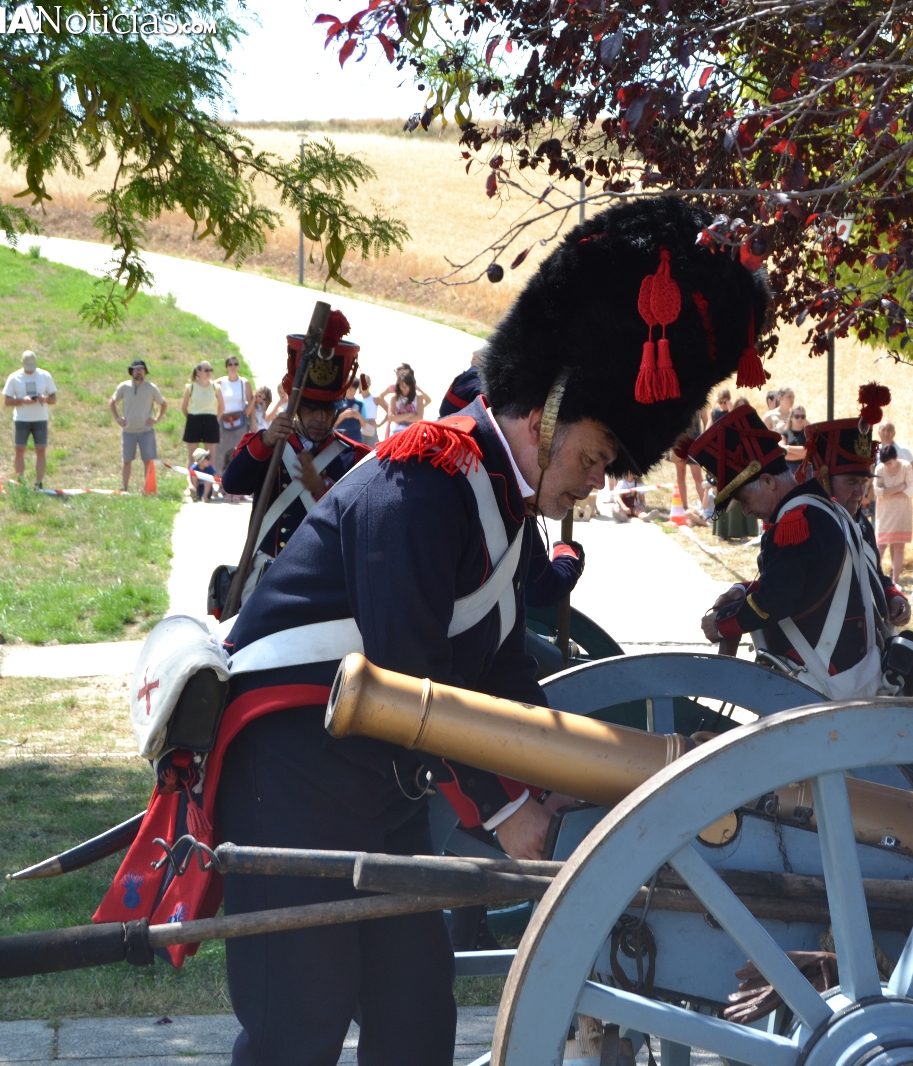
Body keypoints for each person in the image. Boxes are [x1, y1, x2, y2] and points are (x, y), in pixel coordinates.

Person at [94, 197, 769, 1065]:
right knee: (298, 1025)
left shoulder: (498, 504)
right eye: (594, 457)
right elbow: (407, 668)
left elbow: (500, 670)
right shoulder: (424, 476)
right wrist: (507, 807)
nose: (593, 483)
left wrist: (555, 771)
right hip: (290, 768)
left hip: (373, 781)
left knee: (415, 1017)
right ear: (547, 412)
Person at [690, 400, 900, 700]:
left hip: (822, 681)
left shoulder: (797, 521)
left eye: (745, 499)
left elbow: (777, 598)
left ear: (767, 481)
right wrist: (742, 590)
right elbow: (807, 584)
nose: (746, 511)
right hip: (852, 672)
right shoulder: (828, 511)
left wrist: (722, 624)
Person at [220, 316, 371, 601]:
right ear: (297, 407)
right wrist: (265, 441)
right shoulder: (269, 444)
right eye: (312, 409)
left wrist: (321, 489)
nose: (321, 418)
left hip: (323, 581)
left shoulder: (355, 457)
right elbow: (232, 484)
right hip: (267, 574)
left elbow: (361, 524)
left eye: (328, 410)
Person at [801, 385, 911, 630]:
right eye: (851, 482)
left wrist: (892, 595)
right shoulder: (802, 524)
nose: (861, 493)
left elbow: (874, 574)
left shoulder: (861, 523)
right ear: (824, 480)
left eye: (863, 482)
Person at [108, 359, 167, 492]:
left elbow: (163, 404)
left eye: (141, 369)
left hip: (146, 431)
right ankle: (124, 488)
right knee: (127, 461)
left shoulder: (151, 388)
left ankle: (148, 489)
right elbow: (112, 402)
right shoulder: (124, 386)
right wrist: (117, 418)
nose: (139, 372)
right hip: (128, 431)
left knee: (148, 461)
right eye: (136, 369)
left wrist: (156, 419)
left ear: (145, 372)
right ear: (131, 372)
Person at [2, 350, 56, 489]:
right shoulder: (14, 377)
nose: (30, 371)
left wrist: (45, 399)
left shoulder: (45, 376)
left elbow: (53, 398)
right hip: (22, 419)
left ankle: (39, 483)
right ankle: (20, 481)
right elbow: (7, 401)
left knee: (41, 450)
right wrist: (21, 400)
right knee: (19, 449)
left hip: (40, 419)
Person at [874, 441, 913, 581]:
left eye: (889, 463)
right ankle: (873, 577)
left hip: (902, 512)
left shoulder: (906, 466)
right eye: (885, 463)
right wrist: (898, 488)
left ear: (895, 458)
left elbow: (911, 489)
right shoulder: (879, 469)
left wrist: (888, 493)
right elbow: (877, 491)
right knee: (880, 546)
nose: (887, 466)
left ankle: (895, 581)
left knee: (899, 546)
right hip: (884, 513)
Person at [181, 361, 224, 473]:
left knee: (210, 457)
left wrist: (214, 419)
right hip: (194, 420)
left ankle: (209, 482)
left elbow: (222, 407)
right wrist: (191, 419)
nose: (209, 372)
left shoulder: (216, 387)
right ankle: (192, 481)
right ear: (198, 372)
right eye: (206, 370)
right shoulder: (191, 387)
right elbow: (183, 407)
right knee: (192, 456)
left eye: (210, 370)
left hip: (210, 421)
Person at [216, 356, 254, 474]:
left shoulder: (244, 383)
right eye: (230, 364)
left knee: (239, 450)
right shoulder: (219, 383)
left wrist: (253, 423)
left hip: (240, 421)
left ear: (238, 366)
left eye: (235, 364)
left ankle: (239, 476)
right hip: (223, 421)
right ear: (226, 367)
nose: (233, 366)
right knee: (221, 450)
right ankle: (221, 477)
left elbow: (252, 403)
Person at [382, 367, 429, 439]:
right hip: (397, 431)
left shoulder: (419, 397)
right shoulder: (394, 398)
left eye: (406, 386)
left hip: (413, 431)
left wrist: (399, 417)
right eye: (402, 386)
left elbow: (419, 418)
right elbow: (391, 417)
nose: (404, 389)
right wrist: (411, 414)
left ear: (411, 386)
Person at [781, 404, 808, 475]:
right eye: (797, 416)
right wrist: (806, 456)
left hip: (807, 471)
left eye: (803, 417)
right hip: (789, 471)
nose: (800, 419)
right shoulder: (784, 433)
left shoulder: (809, 434)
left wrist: (788, 448)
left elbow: (810, 451)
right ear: (791, 417)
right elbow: (781, 453)